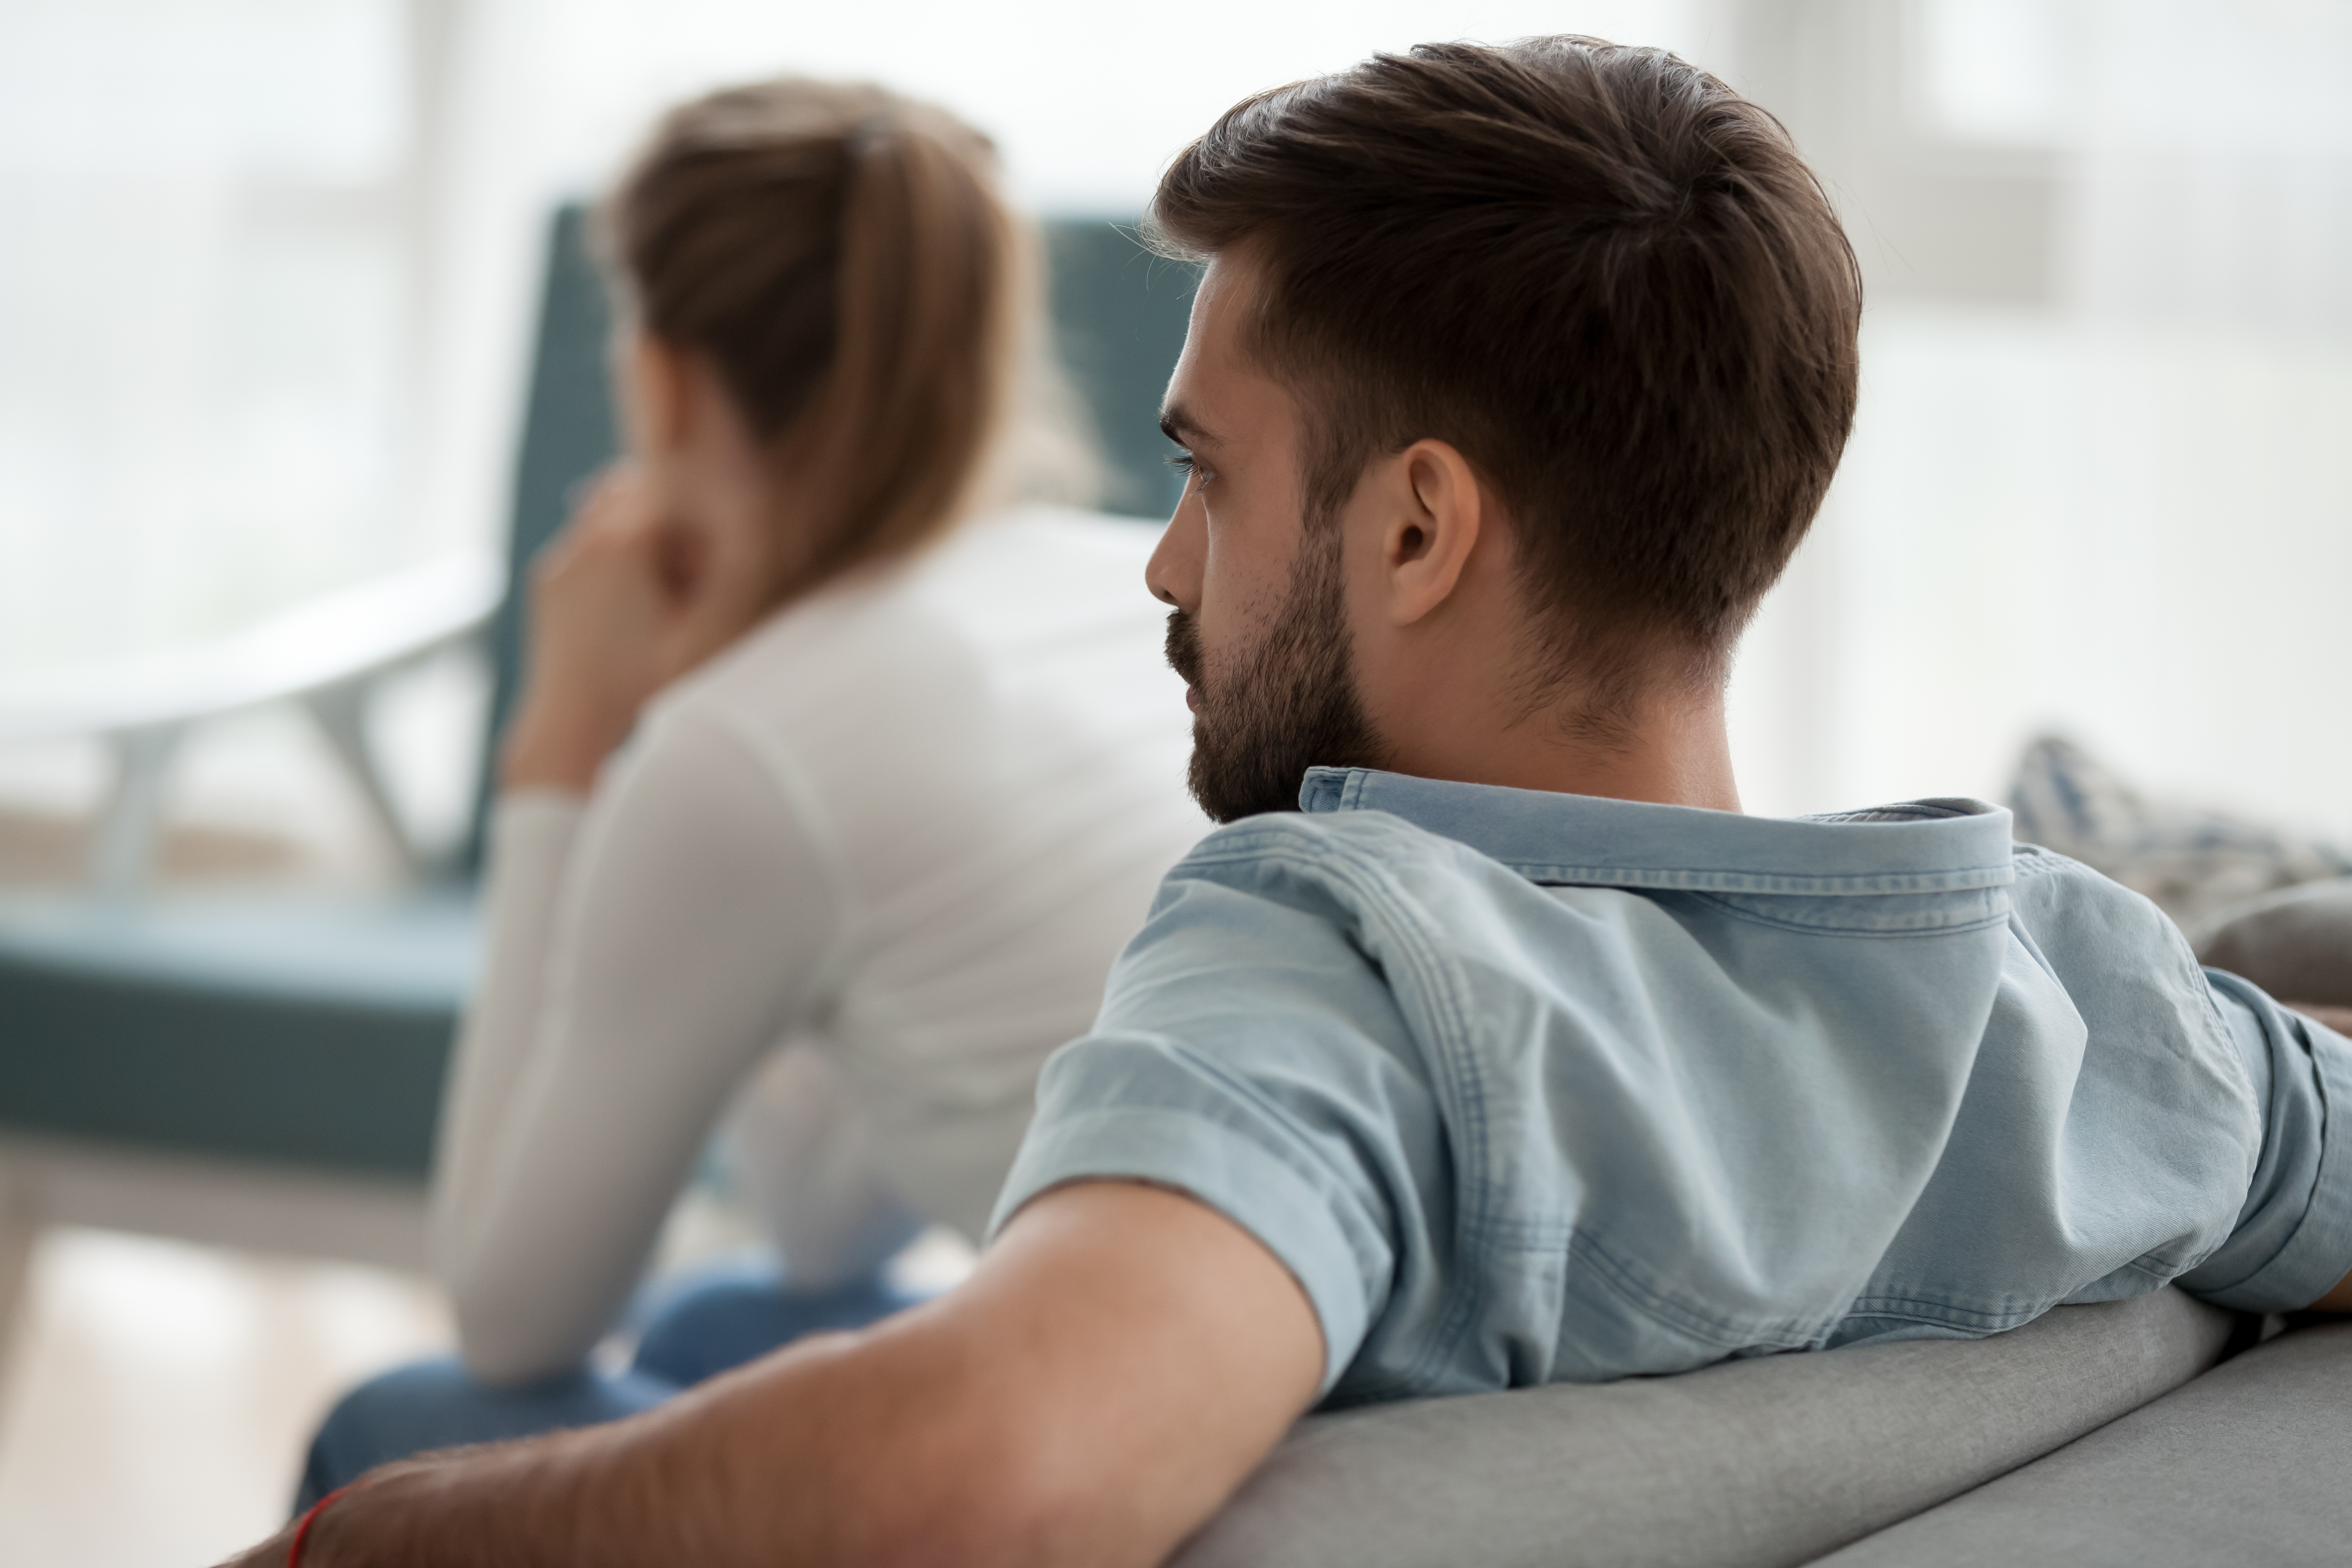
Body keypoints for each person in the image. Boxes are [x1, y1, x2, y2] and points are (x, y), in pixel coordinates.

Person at [222, 37, 2352, 1568]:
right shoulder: (2087, 985)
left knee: (416, 1422)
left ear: (1417, 531)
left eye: (1208, 474)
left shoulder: (1345, 968)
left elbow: (1002, 1471)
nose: (1162, 565)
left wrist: (366, 1538)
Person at [292, 77, 1207, 1497]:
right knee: (731, 1317)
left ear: (661, 374)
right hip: (1242, 1398)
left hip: (1140, 1468)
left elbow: (509, 1319)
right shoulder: (1115, 582)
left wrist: (561, 754)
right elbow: (830, 1231)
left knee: (401, 1420)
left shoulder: (751, 747)